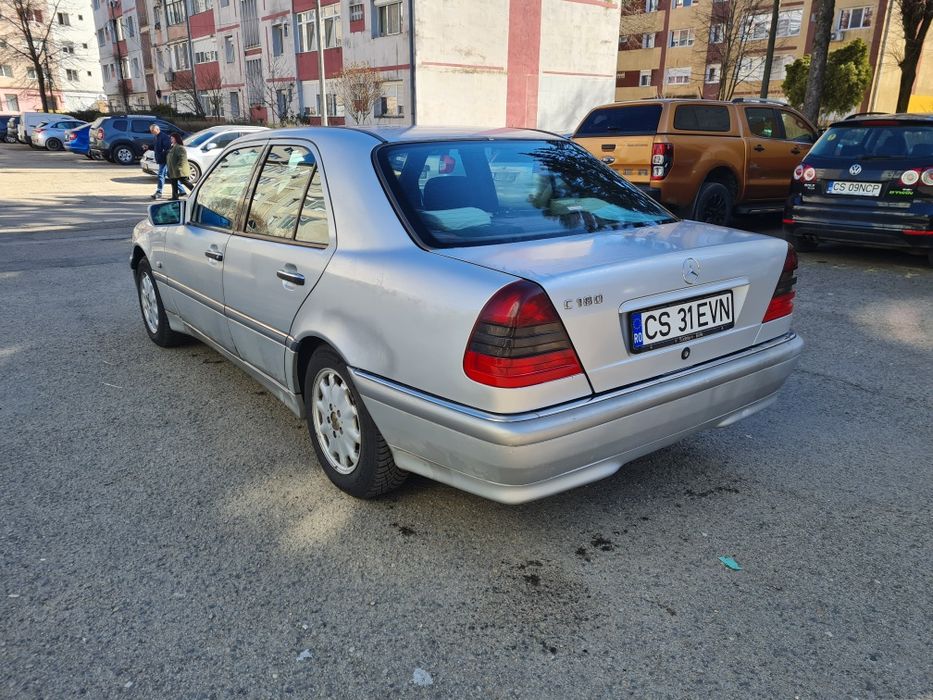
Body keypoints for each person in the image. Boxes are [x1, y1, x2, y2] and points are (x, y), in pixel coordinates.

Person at [149, 124, 186, 200]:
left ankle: (159, 192)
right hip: (161, 159)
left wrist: (162, 154)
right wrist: (148, 147)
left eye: (153, 130)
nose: (152, 132)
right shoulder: (156, 137)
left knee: (161, 175)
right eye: (151, 131)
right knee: (171, 176)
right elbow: (156, 147)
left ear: (157, 129)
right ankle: (182, 191)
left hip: (165, 159)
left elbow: (168, 149)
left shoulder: (164, 137)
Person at [166, 132, 193, 201]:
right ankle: (175, 196)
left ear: (176, 139)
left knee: (184, 181)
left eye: (172, 138)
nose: (171, 139)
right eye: (171, 138)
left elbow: (182, 159)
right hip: (173, 169)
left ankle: (196, 191)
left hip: (179, 170)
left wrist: (179, 168)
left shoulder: (180, 148)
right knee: (174, 183)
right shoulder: (173, 147)